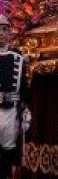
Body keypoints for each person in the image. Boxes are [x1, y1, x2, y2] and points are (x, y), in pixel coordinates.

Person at [0, 15, 29, 179]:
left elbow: (24, 88)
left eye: (4, 29)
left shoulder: (18, 58)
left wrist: (26, 110)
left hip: (10, 111)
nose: (1, 33)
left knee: (8, 150)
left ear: (9, 33)